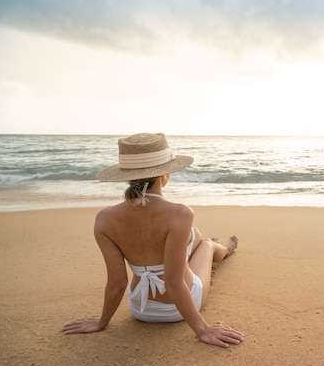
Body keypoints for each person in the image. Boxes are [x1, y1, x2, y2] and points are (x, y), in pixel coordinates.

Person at [61, 133, 244, 348]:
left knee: (192, 235)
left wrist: (102, 322)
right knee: (204, 243)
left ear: (127, 177)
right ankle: (222, 249)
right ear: (164, 174)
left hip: (140, 307)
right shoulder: (180, 214)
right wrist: (202, 329)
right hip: (178, 309)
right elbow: (173, 284)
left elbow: (117, 284)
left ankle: (202, 243)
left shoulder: (104, 219)